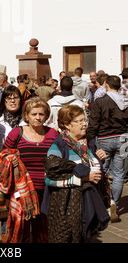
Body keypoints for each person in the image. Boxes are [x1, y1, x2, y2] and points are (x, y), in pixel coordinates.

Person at [42, 104, 109, 243]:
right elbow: (49, 179)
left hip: (87, 202)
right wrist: (82, 179)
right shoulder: (59, 145)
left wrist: (97, 158)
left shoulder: (88, 143)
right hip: (65, 206)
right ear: (67, 124)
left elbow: (89, 167)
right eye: (80, 121)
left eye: (85, 120)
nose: (85, 124)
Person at [4, 97, 59, 242]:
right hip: (22, 192)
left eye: (41, 114)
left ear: (46, 116)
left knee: (43, 233)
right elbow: (3, 156)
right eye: (34, 114)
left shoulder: (52, 134)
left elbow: (61, 157)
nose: (38, 118)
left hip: (47, 191)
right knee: (21, 232)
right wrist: (10, 159)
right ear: (26, 116)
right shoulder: (16, 133)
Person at [87, 75, 128, 222]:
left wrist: (89, 138)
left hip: (104, 138)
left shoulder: (100, 101)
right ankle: (114, 204)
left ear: (106, 84)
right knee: (119, 174)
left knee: (101, 171)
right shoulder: (126, 100)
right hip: (123, 139)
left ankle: (102, 204)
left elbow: (94, 122)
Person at [0, 85, 26, 156]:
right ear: (4, 101)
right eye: (9, 98)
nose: (12, 101)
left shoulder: (26, 121)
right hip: (3, 163)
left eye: (15, 98)